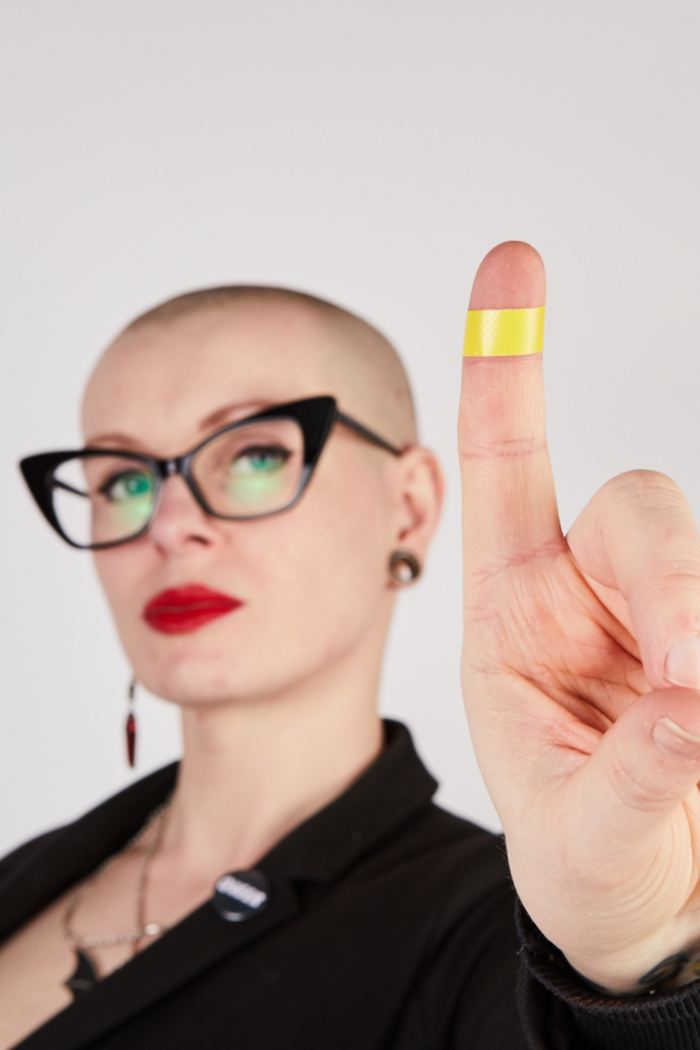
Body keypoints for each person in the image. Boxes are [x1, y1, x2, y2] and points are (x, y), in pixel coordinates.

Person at [2, 241, 700, 1049]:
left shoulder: (492, 943)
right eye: (123, 479)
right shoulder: (27, 875)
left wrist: (653, 966)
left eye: (256, 455)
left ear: (407, 508)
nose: (169, 525)